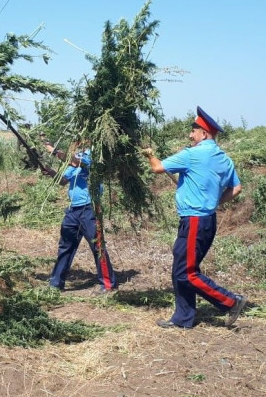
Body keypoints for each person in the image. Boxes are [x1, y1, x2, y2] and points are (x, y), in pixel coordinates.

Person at [141, 106, 247, 328]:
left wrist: (149, 154)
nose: (190, 136)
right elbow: (236, 188)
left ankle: (230, 301)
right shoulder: (224, 159)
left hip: (194, 221)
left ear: (204, 134)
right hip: (207, 220)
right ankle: (183, 318)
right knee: (181, 268)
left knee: (187, 273)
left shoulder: (192, 154)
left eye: (193, 131)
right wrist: (214, 202)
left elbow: (158, 168)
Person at [39, 134, 116, 293]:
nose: (76, 141)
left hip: (90, 209)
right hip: (73, 210)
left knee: (97, 245)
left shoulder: (94, 155)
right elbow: (63, 180)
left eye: (79, 139)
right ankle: (56, 284)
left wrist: (53, 150)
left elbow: (73, 161)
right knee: (65, 245)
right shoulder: (77, 158)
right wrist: (51, 172)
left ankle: (108, 284)